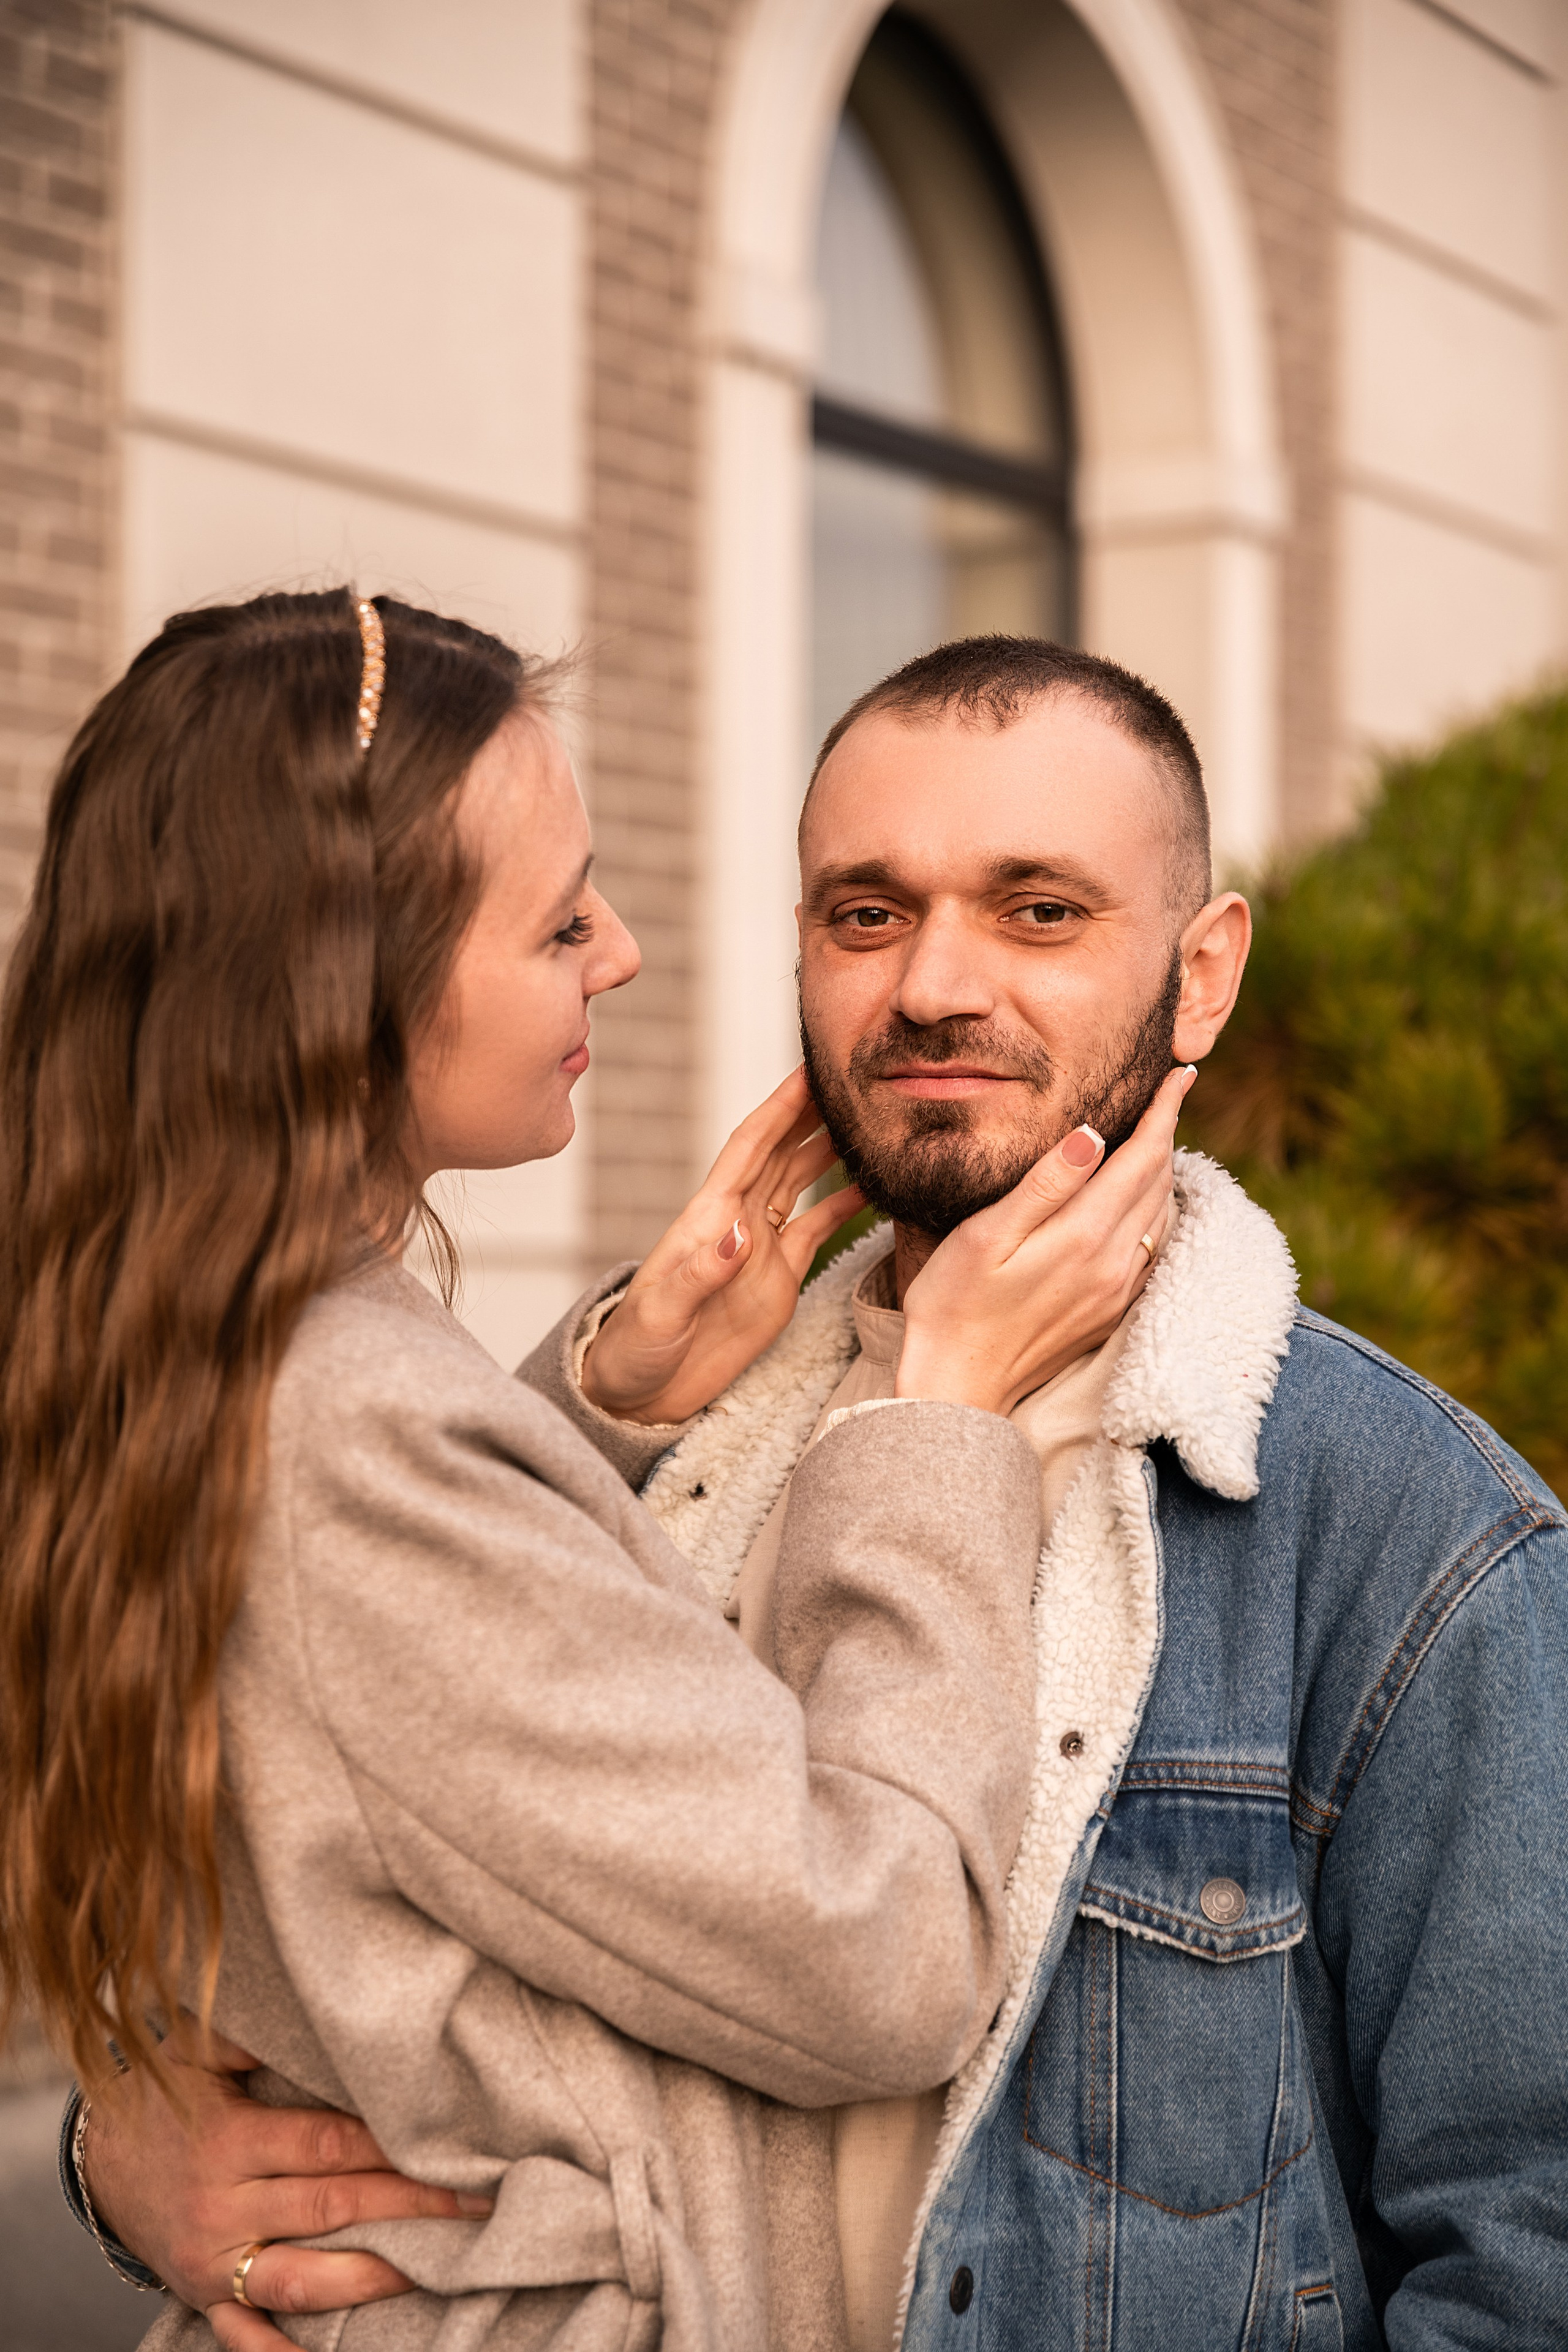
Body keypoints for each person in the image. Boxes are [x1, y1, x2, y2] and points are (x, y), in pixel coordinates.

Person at [81, 635, 1568, 2349]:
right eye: (866, 914)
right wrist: (118, 2149)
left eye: (1039, 912)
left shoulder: (1414, 1539)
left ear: (1206, 968)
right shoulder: (655, 1438)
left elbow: (1529, 2264)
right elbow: (384, 1916)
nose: (935, 984)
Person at [0, 597, 1183, 2352]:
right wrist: (936, 1426)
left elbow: (388, 1756)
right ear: (352, 973)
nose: (616, 953)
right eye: (558, 919)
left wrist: (592, 1401)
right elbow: (877, 1963)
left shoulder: (181, 1347)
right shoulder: (353, 1429)